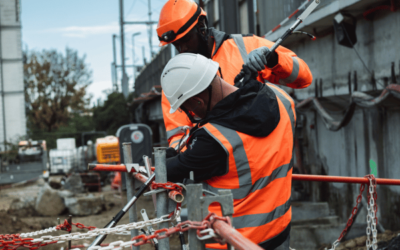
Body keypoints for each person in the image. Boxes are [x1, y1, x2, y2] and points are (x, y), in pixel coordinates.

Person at [161, 53, 295, 250]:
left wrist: (161, 160)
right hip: (279, 232)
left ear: (198, 101)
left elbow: (171, 170)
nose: (191, 115)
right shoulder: (282, 99)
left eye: (186, 109)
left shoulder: (214, 139)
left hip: (233, 241)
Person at [157, 0, 312, 149]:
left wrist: (273, 59)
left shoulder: (246, 46)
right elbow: (178, 138)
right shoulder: (175, 79)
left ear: (201, 25)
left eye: (186, 39)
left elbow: (303, 79)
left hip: (263, 163)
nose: (183, 49)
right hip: (218, 171)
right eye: (176, 45)